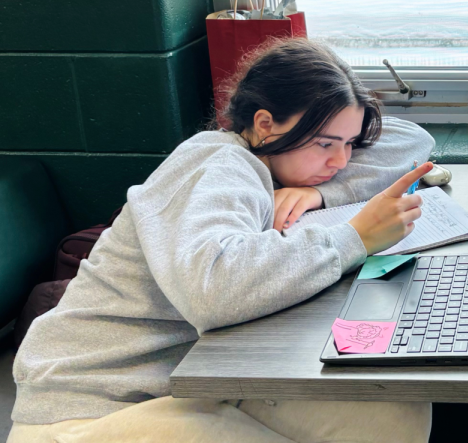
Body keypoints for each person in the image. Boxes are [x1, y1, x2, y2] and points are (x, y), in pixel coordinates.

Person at [9, 39, 437, 443]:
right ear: (265, 124)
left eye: (350, 144)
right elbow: (212, 291)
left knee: (391, 410)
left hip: (183, 383)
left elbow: (412, 140)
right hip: (88, 412)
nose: (341, 160)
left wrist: (321, 193)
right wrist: (353, 237)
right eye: (326, 143)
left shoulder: (279, 167)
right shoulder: (218, 163)